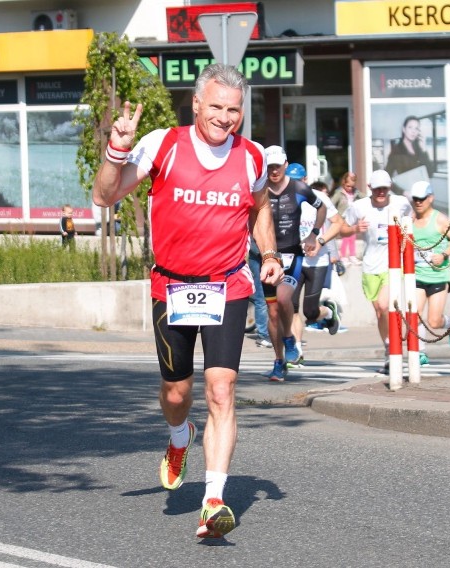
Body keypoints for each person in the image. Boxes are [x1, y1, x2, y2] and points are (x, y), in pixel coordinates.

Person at [91, 63, 284, 539]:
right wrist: (117, 148)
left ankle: (213, 499)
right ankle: (180, 436)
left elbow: (258, 206)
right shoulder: (164, 145)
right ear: (196, 104)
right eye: (216, 106)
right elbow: (103, 195)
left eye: (234, 110)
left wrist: (270, 252)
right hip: (171, 285)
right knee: (178, 393)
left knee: (221, 390)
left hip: (228, 284)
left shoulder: (252, 157)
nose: (224, 117)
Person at [263, 149, 326, 381]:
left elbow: (322, 207)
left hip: (292, 254)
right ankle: (279, 361)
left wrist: (314, 235)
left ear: (286, 164)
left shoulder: (299, 188)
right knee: (272, 313)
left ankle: (289, 338)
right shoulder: (259, 189)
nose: (274, 171)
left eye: (278, 166)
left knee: (283, 299)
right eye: (270, 166)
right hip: (268, 256)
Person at [343, 169, 413, 372]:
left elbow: (412, 219)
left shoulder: (400, 203)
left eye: (384, 188)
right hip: (370, 265)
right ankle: (389, 349)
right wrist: (355, 229)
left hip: (393, 265)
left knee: (385, 305)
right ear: (369, 188)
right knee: (379, 311)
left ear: (390, 187)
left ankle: (396, 349)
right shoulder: (359, 206)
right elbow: (342, 227)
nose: (381, 192)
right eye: (377, 189)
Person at [289, 174, 347, 363]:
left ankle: (329, 313)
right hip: (294, 261)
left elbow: (338, 223)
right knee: (292, 307)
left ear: (304, 180)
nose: (294, 184)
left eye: (298, 180)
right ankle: (296, 352)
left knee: (310, 312)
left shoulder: (319, 198)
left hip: (317, 262)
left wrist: (320, 241)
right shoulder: (282, 198)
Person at [410, 180, 450, 364]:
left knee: (434, 321)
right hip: (417, 275)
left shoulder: (439, 219)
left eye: (422, 199)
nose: (418, 202)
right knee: (413, 314)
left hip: (438, 276)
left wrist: (444, 254)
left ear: (430, 198)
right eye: (415, 199)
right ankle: (421, 353)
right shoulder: (411, 219)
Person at [385, 115, 434, 197]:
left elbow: (430, 173)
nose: (413, 131)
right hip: (408, 197)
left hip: (423, 195)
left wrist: (424, 150)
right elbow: (386, 178)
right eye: (410, 127)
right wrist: (402, 192)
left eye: (416, 128)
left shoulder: (420, 149)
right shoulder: (396, 151)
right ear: (404, 129)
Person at [330, 172, 365, 265]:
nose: (350, 188)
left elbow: (365, 198)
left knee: (352, 237)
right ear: (343, 183)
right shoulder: (339, 193)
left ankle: (352, 256)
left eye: (352, 187)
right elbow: (331, 203)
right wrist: (335, 215)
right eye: (348, 186)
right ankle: (343, 256)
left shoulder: (356, 192)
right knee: (346, 238)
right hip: (342, 218)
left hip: (352, 218)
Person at [246, 236, 272, 348]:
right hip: (257, 254)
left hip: (271, 254)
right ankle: (263, 335)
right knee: (261, 298)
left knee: (274, 298)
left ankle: (275, 333)